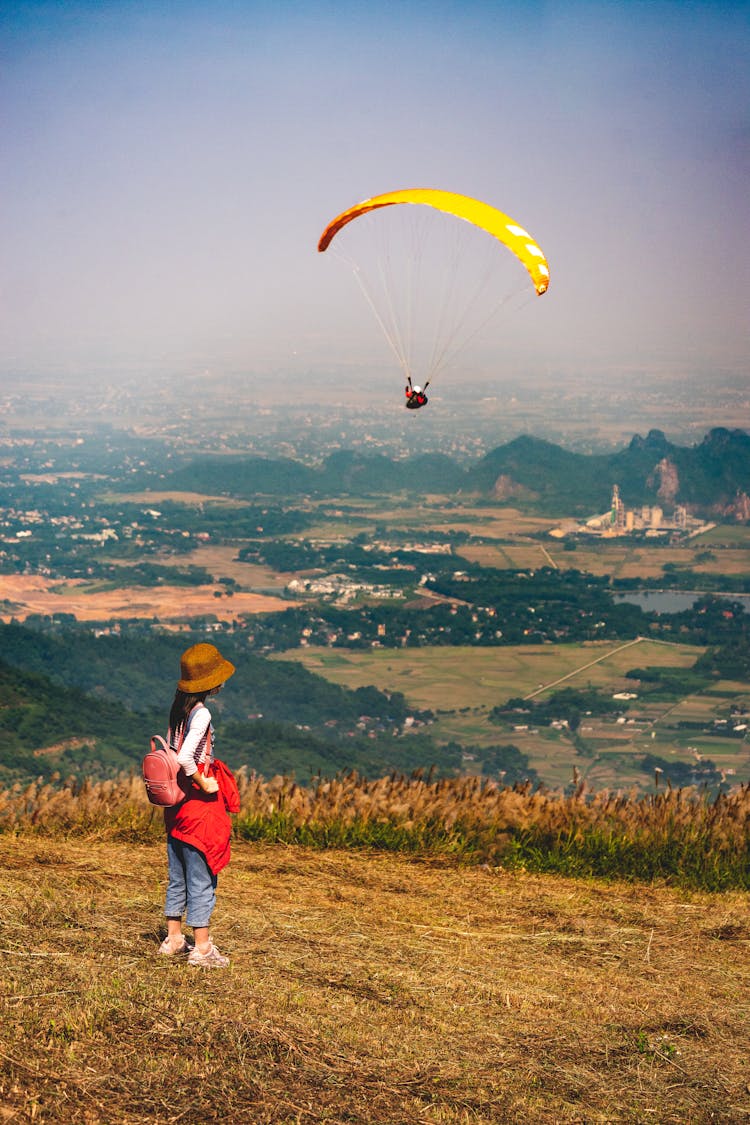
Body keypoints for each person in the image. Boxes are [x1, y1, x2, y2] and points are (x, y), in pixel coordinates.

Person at [158, 642, 238, 968]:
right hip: (197, 805)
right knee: (202, 874)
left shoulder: (180, 708)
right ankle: (202, 949)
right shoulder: (202, 712)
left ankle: (174, 938)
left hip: (175, 804)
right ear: (210, 682)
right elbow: (184, 756)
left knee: (177, 873)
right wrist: (205, 782)